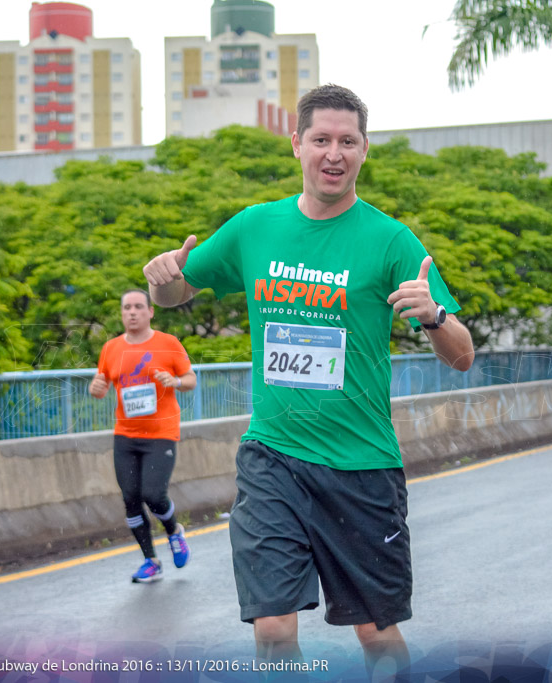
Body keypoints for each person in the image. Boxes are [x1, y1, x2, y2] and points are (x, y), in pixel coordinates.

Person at [142, 84, 474, 676]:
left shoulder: (391, 240)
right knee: (271, 627)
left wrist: (435, 315)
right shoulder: (254, 228)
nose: (333, 153)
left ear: (364, 150)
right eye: (321, 139)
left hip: (361, 466)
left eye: (347, 141)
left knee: (376, 634)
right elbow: (174, 293)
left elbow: (463, 355)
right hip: (274, 457)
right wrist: (161, 276)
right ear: (297, 144)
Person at [89, 289, 197, 583]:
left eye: (138, 307)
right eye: (127, 308)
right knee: (131, 499)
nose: (132, 312)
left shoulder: (168, 343)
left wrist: (173, 380)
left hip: (161, 432)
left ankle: (174, 530)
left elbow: (190, 380)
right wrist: (96, 389)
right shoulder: (111, 348)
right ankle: (150, 560)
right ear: (122, 313)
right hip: (125, 434)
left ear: (151, 311)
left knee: (153, 494)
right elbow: (100, 385)